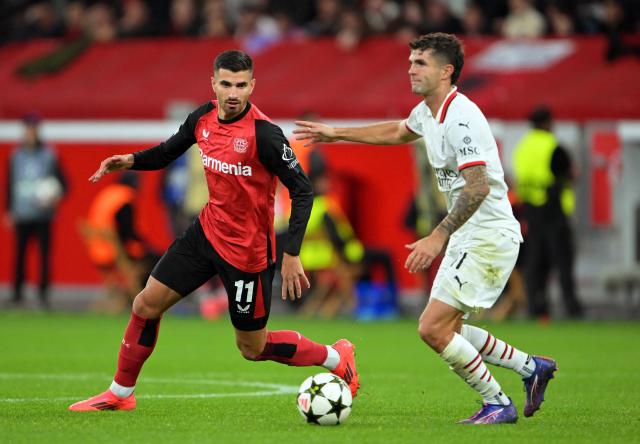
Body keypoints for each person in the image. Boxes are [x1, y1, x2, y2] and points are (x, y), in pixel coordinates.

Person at [68, 50, 358, 412]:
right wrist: (130, 160)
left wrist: (292, 253)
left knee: (252, 348)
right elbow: (167, 152)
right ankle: (120, 394)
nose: (233, 92)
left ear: (252, 85)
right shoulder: (202, 117)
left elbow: (302, 189)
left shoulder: (265, 135)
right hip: (205, 235)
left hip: (248, 254)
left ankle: (335, 356)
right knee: (145, 304)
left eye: (240, 85)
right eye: (225, 84)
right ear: (214, 84)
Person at [294, 33, 556, 424]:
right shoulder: (428, 111)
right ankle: (531, 367)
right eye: (411, 61)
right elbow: (399, 131)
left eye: (421, 63)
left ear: (447, 71)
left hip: (487, 234)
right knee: (446, 326)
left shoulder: (462, 118)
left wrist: (438, 236)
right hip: (470, 234)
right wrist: (337, 133)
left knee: (433, 329)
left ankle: (497, 402)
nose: (411, 69)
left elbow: (479, 186)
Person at [512, 106, 583, 319]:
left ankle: (537, 307)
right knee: (562, 260)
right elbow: (568, 174)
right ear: (548, 123)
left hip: (531, 211)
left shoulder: (522, 147)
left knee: (536, 261)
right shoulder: (553, 146)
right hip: (553, 208)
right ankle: (571, 308)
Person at [6, 113, 67, 310]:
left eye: (33, 129)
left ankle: (42, 295)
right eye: (27, 129)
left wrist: (55, 196)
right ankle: (17, 295)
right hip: (22, 213)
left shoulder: (49, 155)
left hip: (43, 215)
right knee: (20, 255)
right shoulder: (16, 156)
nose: (30, 133)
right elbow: (9, 183)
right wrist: (8, 210)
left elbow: (64, 184)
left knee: (44, 256)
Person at [81, 171, 155, 313]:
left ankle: (126, 299)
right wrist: (144, 244)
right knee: (155, 260)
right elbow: (126, 232)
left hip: (97, 249)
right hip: (113, 251)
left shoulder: (109, 193)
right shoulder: (125, 198)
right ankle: (139, 301)